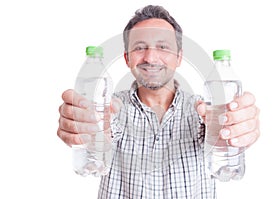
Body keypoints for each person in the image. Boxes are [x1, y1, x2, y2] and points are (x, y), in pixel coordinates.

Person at [57, 5, 260, 199]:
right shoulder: (112, 108)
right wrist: (84, 126)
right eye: (140, 47)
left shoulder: (203, 111)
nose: (151, 57)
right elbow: (107, 128)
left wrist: (238, 129)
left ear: (179, 57)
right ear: (127, 59)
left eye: (163, 46)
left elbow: (218, 134)